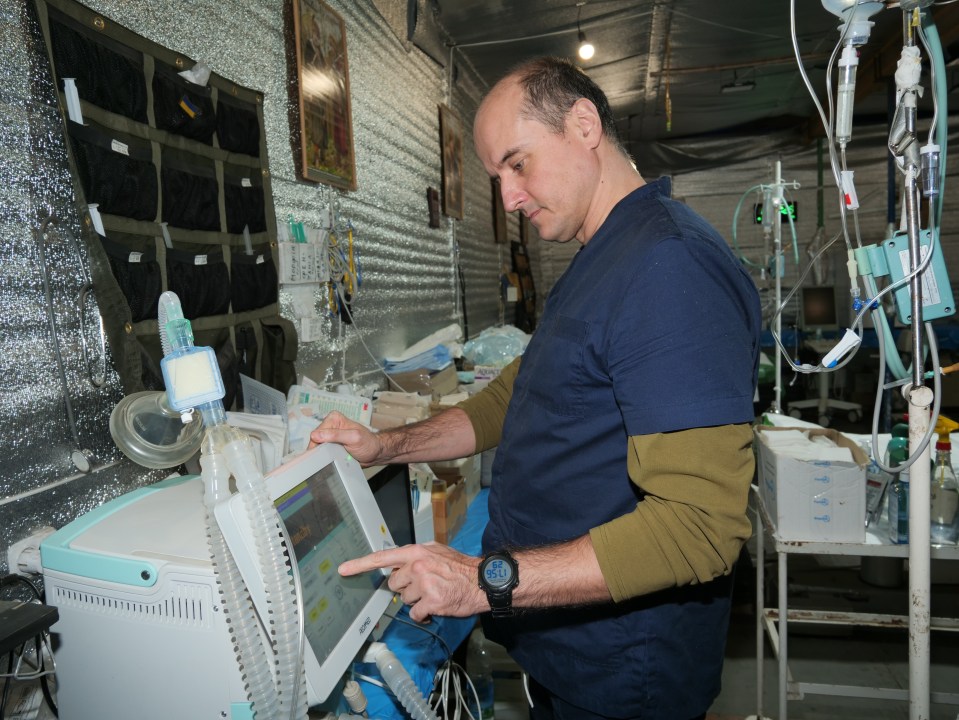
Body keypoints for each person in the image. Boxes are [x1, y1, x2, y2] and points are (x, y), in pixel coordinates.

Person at [311, 56, 761, 720]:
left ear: (583, 125)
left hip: (624, 666)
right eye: (496, 177)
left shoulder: (668, 267)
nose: (509, 200)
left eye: (517, 165)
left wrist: (482, 580)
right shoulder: (601, 256)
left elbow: (699, 527)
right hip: (565, 643)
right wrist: (387, 446)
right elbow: (513, 399)